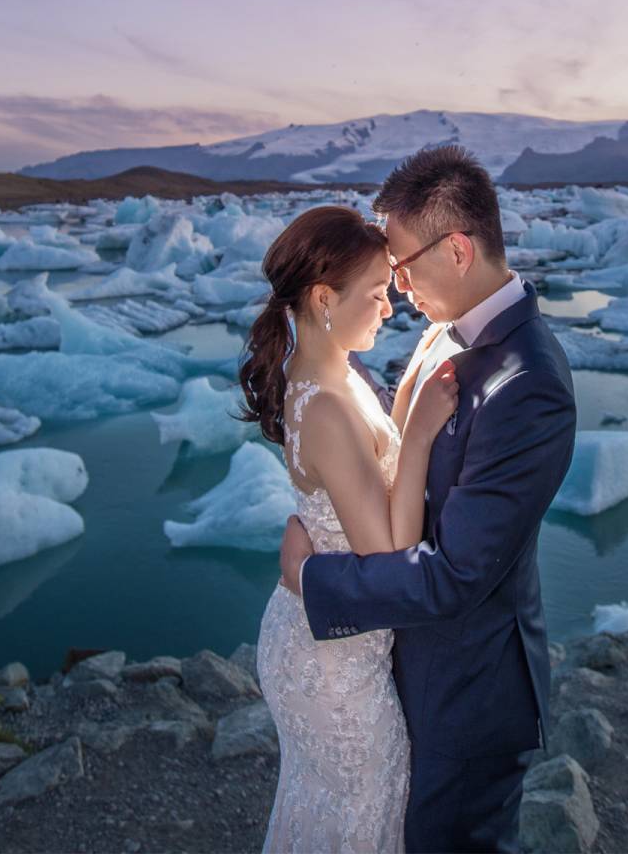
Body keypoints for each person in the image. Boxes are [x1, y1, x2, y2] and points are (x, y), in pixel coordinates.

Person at [279, 145, 578, 853]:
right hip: (407, 670)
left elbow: (457, 575)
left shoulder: (528, 385)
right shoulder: (449, 328)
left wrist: (312, 578)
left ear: (459, 250)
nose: (399, 284)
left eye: (404, 264)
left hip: (466, 694)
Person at [245, 203, 461, 852]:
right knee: (365, 807)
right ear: (323, 298)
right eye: (375, 293)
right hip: (333, 667)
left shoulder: (325, 372)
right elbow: (389, 559)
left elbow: (366, 466)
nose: (389, 308)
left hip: (320, 636)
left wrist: (405, 402)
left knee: (326, 812)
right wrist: (419, 434)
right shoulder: (326, 407)